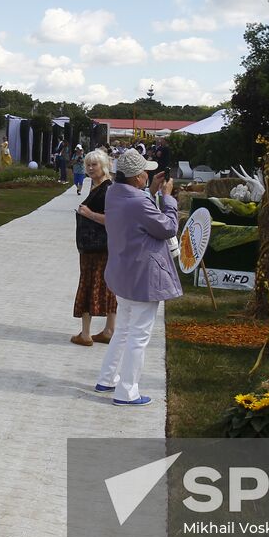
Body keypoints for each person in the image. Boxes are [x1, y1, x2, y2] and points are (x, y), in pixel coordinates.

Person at [96, 149, 182, 405]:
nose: (149, 174)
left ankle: (107, 378)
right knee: (139, 336)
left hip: (123, 274)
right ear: (136, 178)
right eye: (145, 172)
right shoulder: (138, 201)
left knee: (123, 329)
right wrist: (167, 199)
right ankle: (127, 391)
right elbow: (167, 228)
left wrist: (152, 191)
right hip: (144, 277)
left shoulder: (114, 192)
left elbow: (140, 210)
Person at [72, 149, 116, 346]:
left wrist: (88, 214)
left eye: (94, 165)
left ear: (104, 166)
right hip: (95, 246)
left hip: (98, 247)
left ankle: (86, 334)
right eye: (88, 165)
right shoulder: (98, 186)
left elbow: (113, 220)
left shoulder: (107, 189)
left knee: (91, 284)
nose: (89, 168)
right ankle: (108, 330)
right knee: (107, 285)